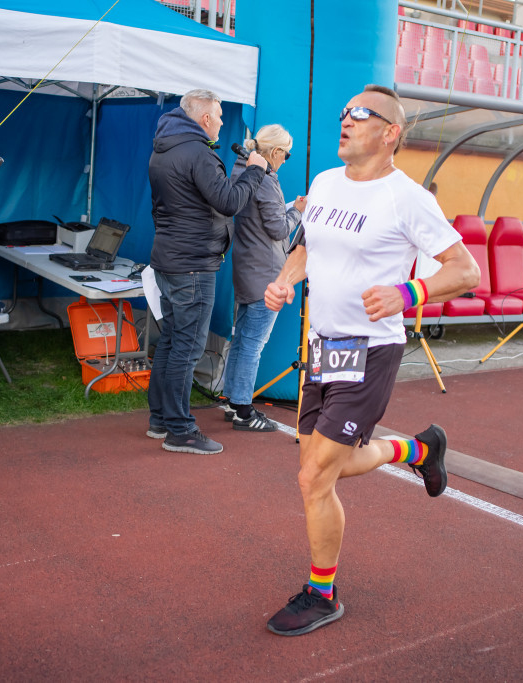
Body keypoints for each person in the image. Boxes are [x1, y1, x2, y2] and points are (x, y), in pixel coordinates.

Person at [262, 84, 480, 636]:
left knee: (314, 477)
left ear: (390, 133)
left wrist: (409, 295)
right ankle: (419, 447)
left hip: (370, 350)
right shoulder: (325, 183)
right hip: (324, 347)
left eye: (361, 114)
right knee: (320, 468)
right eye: (344, 112)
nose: (346, 120)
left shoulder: (407, 199)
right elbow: (308, 246)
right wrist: (285, 280)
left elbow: (465, 270)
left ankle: (322, 593)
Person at [146, 89, 268, 454]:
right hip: (193, 265)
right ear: (204, 119)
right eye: (218, 116)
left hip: (170, 259)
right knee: (185, 347)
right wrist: (254, 170)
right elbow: (229, 201)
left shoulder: (164, 147)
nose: (221, 122)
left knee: (170, 341)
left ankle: (161, 419)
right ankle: (180, 430)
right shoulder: (198, 152)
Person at [221, 125, 302, 432]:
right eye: (287, 154)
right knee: (253, 343)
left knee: (241, 340)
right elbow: (279, 229)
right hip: (267, 272)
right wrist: (299, 212)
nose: (285, 160)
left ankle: (232, 400)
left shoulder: (240, 170)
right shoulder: (266, 180)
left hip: (246, 267)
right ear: (276, 153)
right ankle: (243, 410)